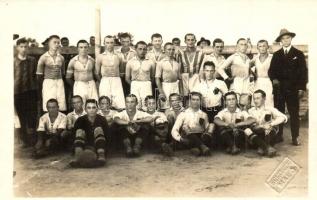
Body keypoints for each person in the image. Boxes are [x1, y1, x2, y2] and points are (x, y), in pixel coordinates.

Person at [268, 29, 308, 145]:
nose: (285, 40)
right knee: (279, 113)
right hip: (279, 89)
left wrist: (301, 88)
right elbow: (271, 71)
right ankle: (279, 135)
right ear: (280, 41)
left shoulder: (298, 54)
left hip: (293, 89)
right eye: (283, 39)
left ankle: (295, 137)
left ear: (291, 39)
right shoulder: (277, 55)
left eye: (287, 38)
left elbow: (303, 72)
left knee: (294, 113)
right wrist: (274, 79)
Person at [171, 92, 214, 156]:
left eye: (197, 100)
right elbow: (174, 130)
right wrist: (180, 139)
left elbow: (207, 129)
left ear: (200, 101)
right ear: (189, 101)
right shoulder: (183, 113)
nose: (195, 102)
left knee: (212, 125)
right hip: (187, 138)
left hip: (200, 137)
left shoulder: (204, 115)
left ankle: (195, 149)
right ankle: (202, 147)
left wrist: (209, 129)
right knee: (185, 127)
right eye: (193, 99)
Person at [14, 38, 38, 147]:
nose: (23, 49)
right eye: (21, 47)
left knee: (32, 115)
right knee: (21, 115)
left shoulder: (32, 60)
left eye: (25, 47)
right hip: (18, 92)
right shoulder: (13, 61)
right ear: (17, 48)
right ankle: (23, 139)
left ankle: (32, 139)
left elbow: (34, 75)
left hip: (31, 91)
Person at [248, 90, 288, 157]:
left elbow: (283, 117)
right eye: (254, 98)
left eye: (258, 98)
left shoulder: (270, 109)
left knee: (270, 129)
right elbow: (252, 125)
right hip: (257, 134)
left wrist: (271, 124)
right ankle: (267, 148)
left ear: (264, 99)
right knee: (248, 130)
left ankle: (262, 147)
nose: (255, 101)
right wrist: (262, 126)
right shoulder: (251, 111)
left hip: (268, 134)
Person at [70, 99, 108, 167]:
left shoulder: (102, 119)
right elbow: (74, 137)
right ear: (85, 109)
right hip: (83, 145)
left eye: (93, 107)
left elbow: (108, 136)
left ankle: (101, 156)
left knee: (98, 129)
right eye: (89, 108)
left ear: (97, 109)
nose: (91, 110)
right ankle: (77, 156)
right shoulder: (80, 120)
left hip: (99, 146)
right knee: (79, 131)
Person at [36, 35, 67, 112]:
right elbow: (39, 75)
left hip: (59, 82)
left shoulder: (61, 58)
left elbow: (63, 72)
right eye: (54, 42)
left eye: (58, 43)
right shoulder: (43, 57)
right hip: (48, 82)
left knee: (61, 104)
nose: (57, 44)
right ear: (49, 44)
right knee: (49, 104)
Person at [96, 35, 125, 110]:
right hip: (104, 80)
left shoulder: (119, 55)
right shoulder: (100, 56)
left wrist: (116, 79)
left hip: (116, 80)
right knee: (104, 102)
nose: (109, 45)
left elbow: (121, 71)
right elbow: (97, 73)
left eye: (111, 42)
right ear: (104, 43)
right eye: (107, 42)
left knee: (119, 103)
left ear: (114, 43)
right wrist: (103, 81)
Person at [66, 40, 98, 104]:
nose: (83, 49)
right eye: (81, 47)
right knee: (80, 105)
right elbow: (68, 78)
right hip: (79, 84)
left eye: (85, 47)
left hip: (91, 84)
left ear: (88, 48)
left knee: (94, 103)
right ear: (77, 49)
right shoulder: (73, 61)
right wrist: (76, 85)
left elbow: (96, 74)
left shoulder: (92, 60)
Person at [126, 41, 155, 110]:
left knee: (147, 105)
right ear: (135, 49)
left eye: (144, 49)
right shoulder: (130, 62)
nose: (142, 51)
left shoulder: (151, 62)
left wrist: (148, 83)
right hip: (134, 84)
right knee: (135, 105)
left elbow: (152, 77)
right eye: (140, 49)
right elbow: (127, 78)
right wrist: (134, 84)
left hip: (146, 83)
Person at [155, 42, 183, 109]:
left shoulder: (177, 63)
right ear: (164, 50)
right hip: (166, 86)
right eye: (169, 49)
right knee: (166, 107)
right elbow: (157, 78)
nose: (171, 51)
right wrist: (161, 92)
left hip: (175, 86)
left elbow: (180, 78)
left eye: (173, 49)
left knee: (177, 107)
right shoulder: (160, 63)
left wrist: (181, 92)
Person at [180, 33, 205, 101]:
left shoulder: (200, 53)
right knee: (184, 98)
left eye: (192, 40)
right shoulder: (181, 53)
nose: (190, 42)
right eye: (188, 40)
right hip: (184, 77)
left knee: (195, 96)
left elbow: (202, 67)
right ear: (185, 41)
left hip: (196, 77)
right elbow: (179, 67)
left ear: (195, 41)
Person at [250, 40, 274, 107]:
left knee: (268, 100)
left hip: (269, 82)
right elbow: (247, 66)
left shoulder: (272, 57)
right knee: (257, 101)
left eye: (264, 46)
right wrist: (253, 74)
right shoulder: (255, 58)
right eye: (260, 46)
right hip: (258, 82)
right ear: (257, 48)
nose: (262, 48)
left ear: (267, 47)